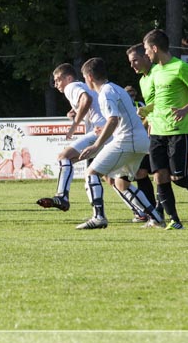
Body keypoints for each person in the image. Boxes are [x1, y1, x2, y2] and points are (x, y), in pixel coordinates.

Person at [75, 58, 164, 230]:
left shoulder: (105, 93)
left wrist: (96, 145)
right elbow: (121, 118)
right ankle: (156, 218)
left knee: (91, 173)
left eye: (85, 78)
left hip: (127, 140)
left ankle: (98, 217)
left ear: (90, 77)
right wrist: (105, 130)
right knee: (121, 183)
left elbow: (113, 120)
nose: (86, 82)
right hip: (139, 141)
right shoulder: (116, 88)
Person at [142, 29, 188, 229]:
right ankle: (174, 220)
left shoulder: (181, 67)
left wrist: (185, 109)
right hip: (157, 131)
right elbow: (159, 101)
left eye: (146, 49)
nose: (146, 53)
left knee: (178, 177)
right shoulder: (154, 72)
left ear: (155, 48)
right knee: (159, 176)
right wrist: (147, 114)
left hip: (178, 131)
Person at [36, 63, 108, 211]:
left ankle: (62, 196)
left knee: (64, 156)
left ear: (68, 78)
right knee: (114, 180)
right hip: (108, 132)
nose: (56, 84)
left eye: (58, 80)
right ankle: (143, 212)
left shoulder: (71, 86)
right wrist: (75, 111)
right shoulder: (82, 85)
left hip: (99, 131)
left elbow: (86, 99)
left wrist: (74, 125)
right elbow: (89, 101)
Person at [125, 44, 161, 222]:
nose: (132, 65)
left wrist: (146, 111)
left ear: (146, 56)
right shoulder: (143, 80)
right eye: (130, 62)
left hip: (166, 130)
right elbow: (151, 111)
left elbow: (164, 101)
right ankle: (152, 211)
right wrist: (145, 124)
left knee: (172, 176)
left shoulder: (159, 73)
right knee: (141, 172)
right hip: (152, 134)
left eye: (135, 60)